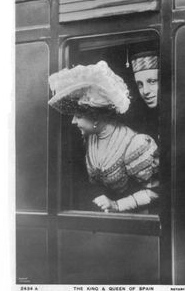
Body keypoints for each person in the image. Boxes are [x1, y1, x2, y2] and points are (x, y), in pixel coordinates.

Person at [48, 60, 159, 213]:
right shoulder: (90, 138)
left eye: (79, 116)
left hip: (137, 221)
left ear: (95, 117)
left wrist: (117, 205)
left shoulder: (136, 144)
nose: (73, 121)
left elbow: (156, 192)